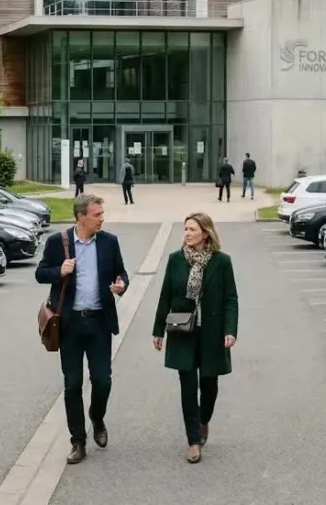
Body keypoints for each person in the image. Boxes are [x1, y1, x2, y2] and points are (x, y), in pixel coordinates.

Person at [35, 194, 130, 465]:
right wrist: (59, 271)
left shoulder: (109, 242)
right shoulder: (58, 242)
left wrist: (121, 284)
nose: (102, 218)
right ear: (81, 217)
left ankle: (97, 416)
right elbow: (41, 273)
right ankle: (78, 441)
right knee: (72, 384)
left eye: (102, 213)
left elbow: (121, 273)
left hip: (99, 322)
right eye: (97, 214)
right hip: (70, 324)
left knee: (103, 380)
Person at [152, 212, 239, 464]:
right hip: (182, 332)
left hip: (212, 333)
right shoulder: (176, 260)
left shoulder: (222, 262)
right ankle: (192, 441)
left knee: (209, 385)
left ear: (205, 233)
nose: (187, 234)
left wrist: (230, 330)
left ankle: (203, 420)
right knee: (188, 387)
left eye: (192, 229)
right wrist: (158, 330)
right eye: (185, 229)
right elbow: (165, 296)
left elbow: (231, 299)